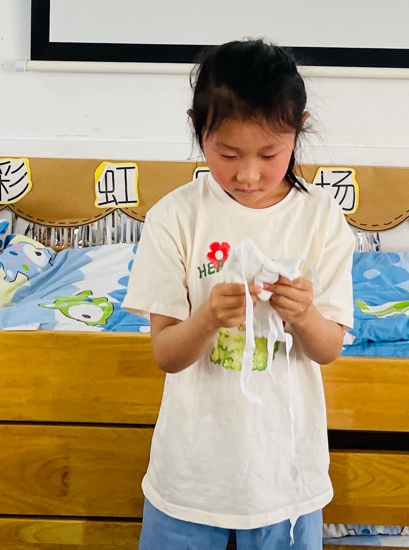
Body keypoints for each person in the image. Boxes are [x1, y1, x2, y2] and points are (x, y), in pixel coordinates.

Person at [122, 39, 356, 550]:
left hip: (285, 478)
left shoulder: (320, 218)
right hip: (189, 476)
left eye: (269, 154)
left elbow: (328, 348)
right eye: (227, 154)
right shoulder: (175, 217)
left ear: (299, 129)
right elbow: (166, 354)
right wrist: (207, 317)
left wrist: (304, 315)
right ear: (197, 129)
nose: (248, 175)